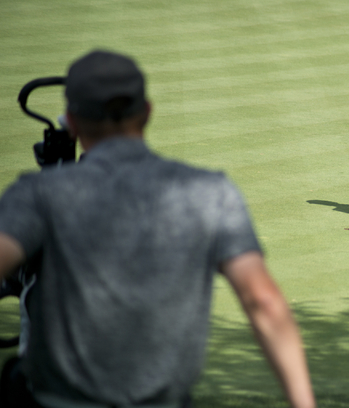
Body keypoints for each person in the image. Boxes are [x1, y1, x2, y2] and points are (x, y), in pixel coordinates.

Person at [0, 50, 316, 408]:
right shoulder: (210, 192)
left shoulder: (38, 194)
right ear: (147, 111)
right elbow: (264, 302)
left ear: (71, 121)